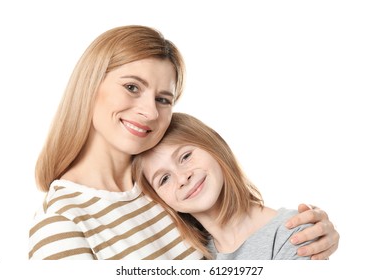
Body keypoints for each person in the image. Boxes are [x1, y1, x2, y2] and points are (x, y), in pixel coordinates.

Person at [29, 25, 339, 260]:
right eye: (132, 87)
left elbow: (243, 240)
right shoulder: (62, 224)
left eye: (163, 99)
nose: (150, 111)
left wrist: (306, 233)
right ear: (89, 84)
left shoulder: (163, 192)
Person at [133, 112, 327, 259]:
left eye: (186, 156)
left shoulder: (295, 232)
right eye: (164, 179)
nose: (183, 178)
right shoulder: (189, 256)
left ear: (214, 144)